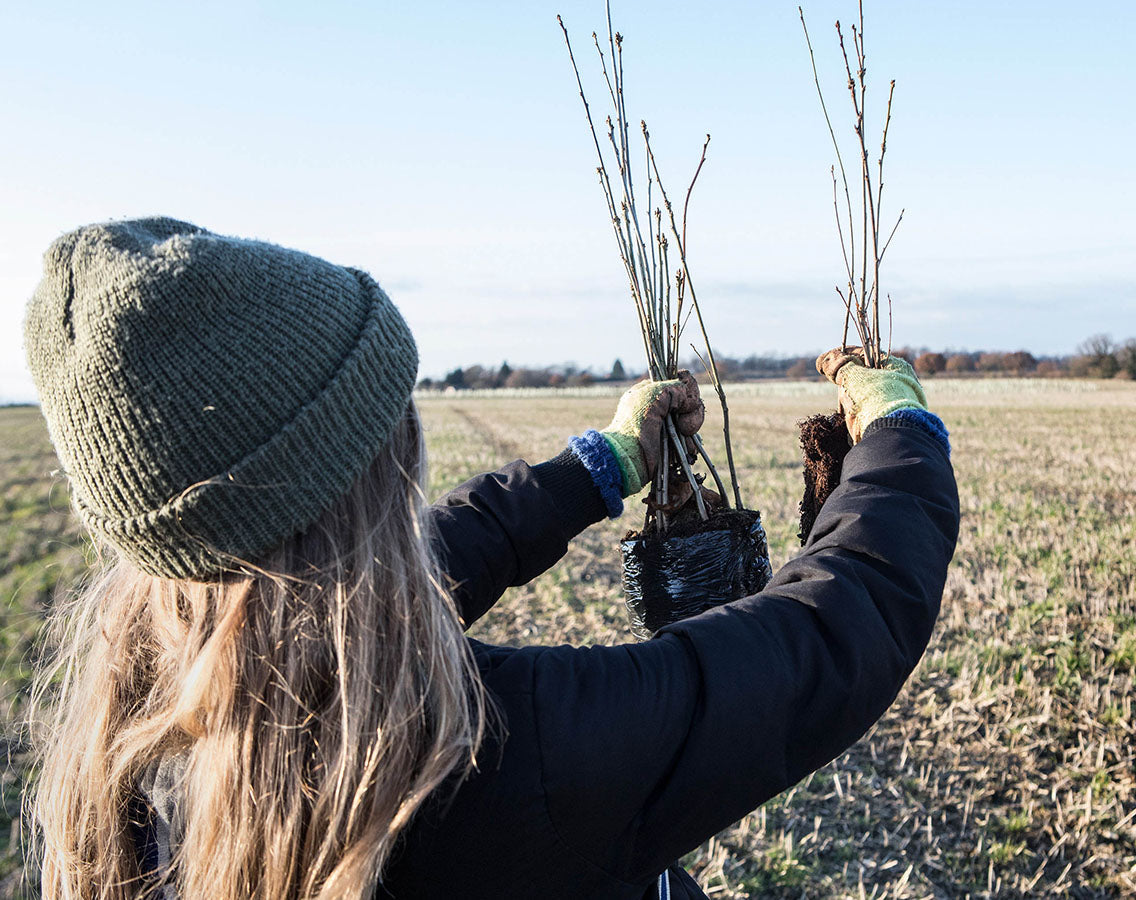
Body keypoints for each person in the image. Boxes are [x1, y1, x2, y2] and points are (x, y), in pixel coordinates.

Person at [24, 218, 958, 900]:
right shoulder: (492, 761)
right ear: (361, 486)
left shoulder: (135, 753)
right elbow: (822, 641)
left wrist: (604, 467)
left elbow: (392, 573)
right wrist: (900, 434)